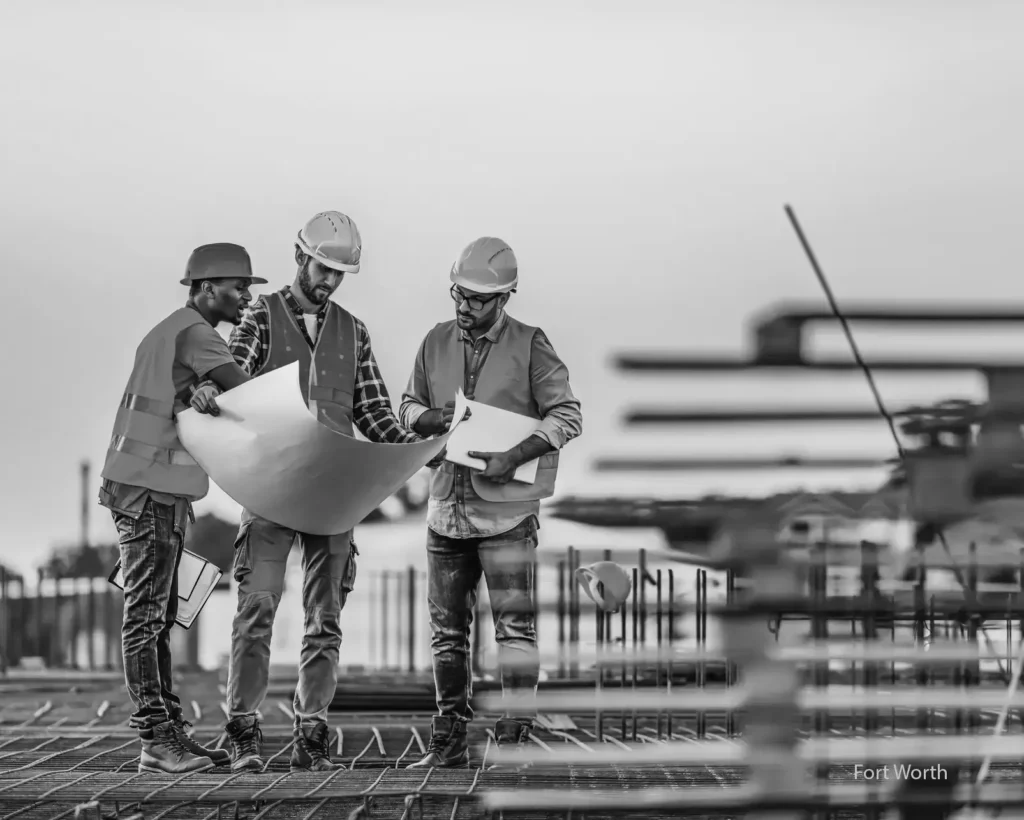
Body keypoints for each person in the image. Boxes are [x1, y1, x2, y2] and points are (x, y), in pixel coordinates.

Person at [216, 210, 422, 773]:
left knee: (325, 616)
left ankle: (312, 734)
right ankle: (243, 730)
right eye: (323, 268)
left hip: (332, 494)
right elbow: (233, 375)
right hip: (271, 486)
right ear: (300, 256)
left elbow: (375, 412)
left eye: (339, 273)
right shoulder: (260, 315)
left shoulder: (353, 332)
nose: (329, 280)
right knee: (256, 606)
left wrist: (413, 449)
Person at [399, 237, 583, 768]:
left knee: (514, 631)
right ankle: (448, 742)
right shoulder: (434, 341)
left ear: (505, 298)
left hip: (507, 517)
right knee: (447, 635)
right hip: (445, 511)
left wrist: (515, 455)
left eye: (477, 299)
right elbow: (408, 404)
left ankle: (514, 739)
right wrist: (426, 420)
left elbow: (566, 415)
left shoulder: (531, 344)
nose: (463, 306)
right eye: (458, 293)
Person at [99, 243, 265, 774]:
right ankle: (156, 740)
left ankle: (169, 735)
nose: (246, 298)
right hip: (148, 491)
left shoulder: (171, 331)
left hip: (148, 489)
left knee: (157, 614)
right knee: (146, 616)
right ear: (208, 287)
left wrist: (199, 390)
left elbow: (190, 395)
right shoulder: (198, 333)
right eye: (240, 288)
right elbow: (250, 394)